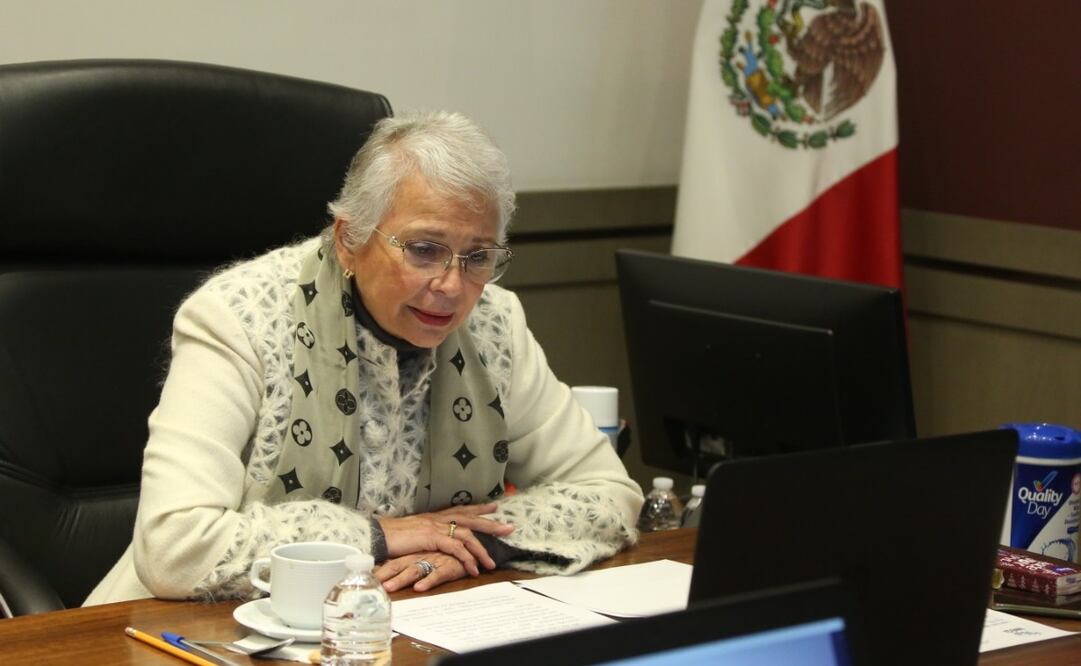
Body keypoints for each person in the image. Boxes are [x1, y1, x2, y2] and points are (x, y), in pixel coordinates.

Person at [85, 110, 643, 605]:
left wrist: (470, 545)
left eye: (479, 256)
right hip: (186, 634)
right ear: (350, 238)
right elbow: (173, 547)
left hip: (401, 625)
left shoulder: (495, 322)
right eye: (424, 250)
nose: (452, 286)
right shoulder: (237, 318)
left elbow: (611, 493)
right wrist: (376, 536)